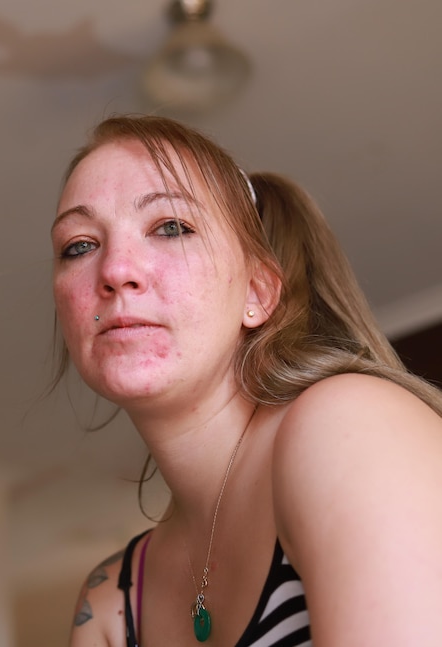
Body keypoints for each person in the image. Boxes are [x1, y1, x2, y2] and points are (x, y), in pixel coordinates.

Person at [51, 115, 442, 647]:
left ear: (258, 293)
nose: (115, 270)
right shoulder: (110, 604)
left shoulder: (349, 423)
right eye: (79, 245)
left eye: (171, 227)